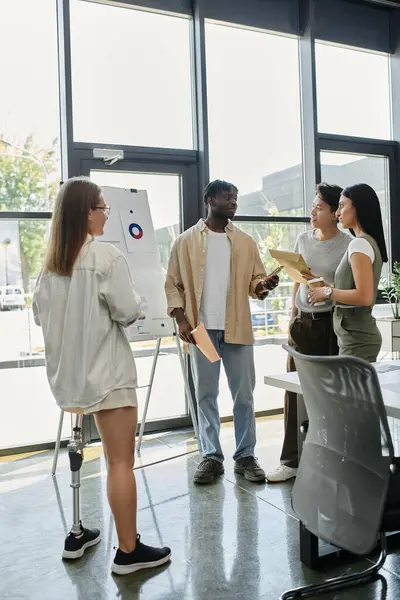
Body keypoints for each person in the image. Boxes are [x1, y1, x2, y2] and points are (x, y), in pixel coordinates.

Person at [33, 177, 171, 574]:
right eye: (102, 209)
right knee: (119, 463)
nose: (107, 216)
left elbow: (41, 315)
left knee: (82, 453)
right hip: (108, 378)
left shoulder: (50, 267)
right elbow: (127, 311)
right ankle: (129, 551)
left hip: (70, 381)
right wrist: (142, 302)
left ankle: (77, 533)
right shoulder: (106, 258)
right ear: (85, 213)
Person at [165, 179, 279, 485]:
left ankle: (245, 456)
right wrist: (181, 321)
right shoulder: (185, 241)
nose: (233, 202)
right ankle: (211, 457)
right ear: (210, 199)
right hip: (200, 330)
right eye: (228, 197)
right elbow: (173, 285)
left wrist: (264, 285)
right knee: (206, 396)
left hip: (236, 327)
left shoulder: (244, 242)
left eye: (236, 198)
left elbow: (255, 282)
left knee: (244, 396)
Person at [267, 183, 351, 483]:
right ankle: (291, 460)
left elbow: (348, 288)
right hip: (302, 322)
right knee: (293, 390)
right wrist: (292, 314)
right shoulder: (303, 238)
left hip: (330, 324)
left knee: (328, 394)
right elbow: (297, 280)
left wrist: (328, 292)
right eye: (313, 206)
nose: (312, 211)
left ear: (334, 214)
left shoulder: (347, 244)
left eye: (319, 207)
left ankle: (328, 456)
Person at [309, 183, 388, 362]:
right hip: (354, 336)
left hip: (357, 339)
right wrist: (326, 287)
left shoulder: (359, 244)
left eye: (342, 206)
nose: (338, 213)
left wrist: (328, 293)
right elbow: (355, 288)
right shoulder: (365, 242)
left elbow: (365, 296)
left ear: (357, 207)